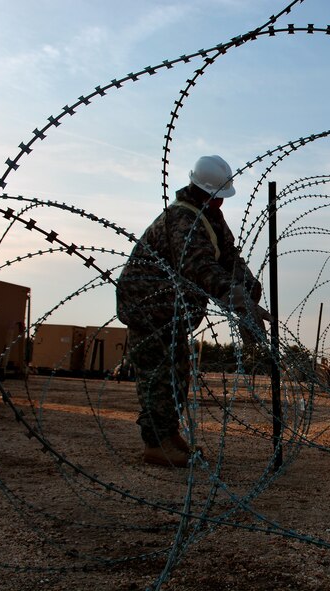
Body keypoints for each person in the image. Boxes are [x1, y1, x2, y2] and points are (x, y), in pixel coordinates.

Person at [116, 155, 269, 467]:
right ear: (204, 192)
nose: (222, 204)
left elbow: (229, 259)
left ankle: (168, 437)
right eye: (218, 197)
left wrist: (250, 292)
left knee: (177, 373)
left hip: (173, 310)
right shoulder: (181, 221)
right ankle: (156, 444)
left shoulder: (210, 218)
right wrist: (240, 302)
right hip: (150, 307)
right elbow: (200, 267)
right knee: (159, 375)